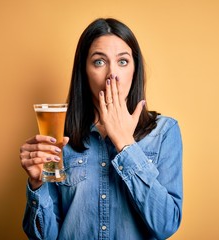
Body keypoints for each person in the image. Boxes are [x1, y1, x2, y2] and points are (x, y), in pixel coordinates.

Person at [20, 18, 183, 240]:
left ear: (135, 70)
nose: (112, 74)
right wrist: (37, 184)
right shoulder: (59, 136)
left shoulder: (164, 132)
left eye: (123, 62)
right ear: (83, 72)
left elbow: (166, 225)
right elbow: (44, 237)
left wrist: (126, 146)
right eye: (99, 62)